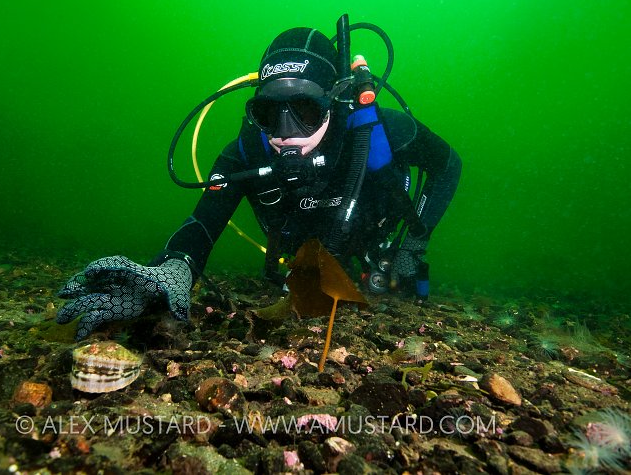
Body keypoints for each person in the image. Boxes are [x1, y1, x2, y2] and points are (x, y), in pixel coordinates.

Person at [57, 26, 461, 341]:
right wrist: (173, 271)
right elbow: (204, 222)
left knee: (394, 283)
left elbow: (449, 166)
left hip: (371, 236)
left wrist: (415, 244)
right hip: (299, 250)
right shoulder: (245, 153)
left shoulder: (379, 131)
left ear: (333, 102)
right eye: (269, 113)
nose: (284, 133)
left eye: (304, 110)